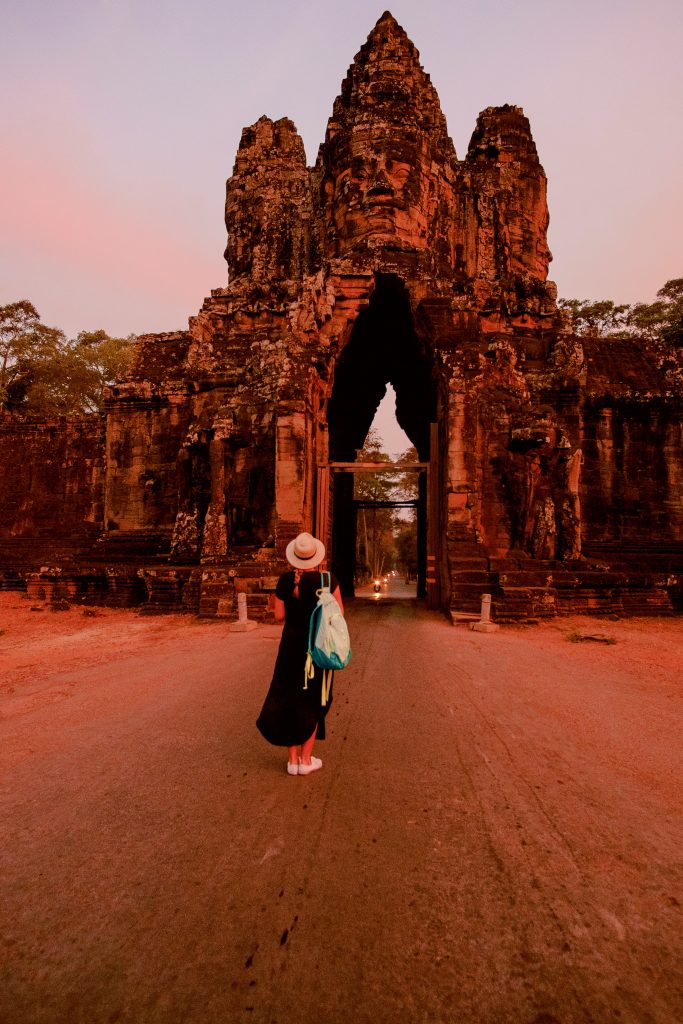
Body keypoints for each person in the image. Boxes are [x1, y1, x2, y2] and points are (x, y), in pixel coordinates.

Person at [256, 532, 344, 776]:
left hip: (290, 648)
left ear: (294, 558)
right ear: (317, 557)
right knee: (314, 700)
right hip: (317, 648)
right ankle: (306, 760)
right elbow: (339, 616)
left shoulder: (285, 581)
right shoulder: (328, 580)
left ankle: (293, 760)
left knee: (289, 699)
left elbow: (279, 616)